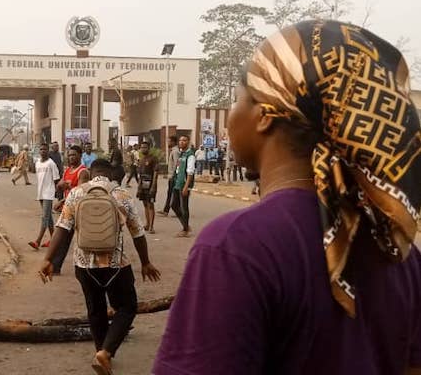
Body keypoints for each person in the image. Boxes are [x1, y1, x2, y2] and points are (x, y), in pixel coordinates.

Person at [153, 21, 421, 375]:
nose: (231, 116)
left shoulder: (236, 247)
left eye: (237, 100)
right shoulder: (400, 253)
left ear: (265, 116)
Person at [39, 159, 161, 375]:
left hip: (84, 265)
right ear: (111, 174)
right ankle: (105, 353)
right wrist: (145, 262)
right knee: (126, 307)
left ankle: (101, 352)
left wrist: (48, 259)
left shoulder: (76, 194)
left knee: (95, 309)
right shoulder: (121, 194)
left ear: (91, 172)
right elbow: (138, 233)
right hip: (116, 266)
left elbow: (62, 228)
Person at [50, 145, 89, 274]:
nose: (71, 157)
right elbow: (59, 185)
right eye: (70, 155)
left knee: (79, 239)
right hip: (68, 208)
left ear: (80, 156)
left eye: (74, 155)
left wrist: (64, 194)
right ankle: (55, 266)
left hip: (78, 209)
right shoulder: (68, 170)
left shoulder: (82, 172)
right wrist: (65, 187)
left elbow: (79, 192)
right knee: (63, 238)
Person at [29, 143, 59, 250]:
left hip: (48, 193)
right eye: (41, 149)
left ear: (48, 151)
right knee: (49, 218)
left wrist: (56, 193)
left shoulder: (51, 163)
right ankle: (54, 241)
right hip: (40, 193)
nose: (43, 151)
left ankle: (38, 241)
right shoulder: (37, 163)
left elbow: (56, 179)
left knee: (44, 217)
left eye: (45, 149)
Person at [171, 135, 194, 237]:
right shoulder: (181, 154)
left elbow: (190, 172)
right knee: (174, 205)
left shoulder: (190, 155)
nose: (181, 142)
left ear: (188, 142)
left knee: (184, 207)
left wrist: (186, 186)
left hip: (184, 184)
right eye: (180, 140)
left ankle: (185, 230)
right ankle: (186, 225)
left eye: (184, 140)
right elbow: (178, 169)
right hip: (177, 183)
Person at [137, 141, 159, 234]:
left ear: (149, 148)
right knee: (145, 204)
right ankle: (147, 223)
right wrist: (139, 187)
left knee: (150, 205)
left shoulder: (153, 159)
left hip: (150, 184)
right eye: (142, 147)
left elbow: (155, 172)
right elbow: (140, 175)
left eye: (145, 147)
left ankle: (151, 226)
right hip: (143, 185)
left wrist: (153, 186)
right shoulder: (141, 160)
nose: (143, 149)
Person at [158, 136, 179, 217]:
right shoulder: (173, 151)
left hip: (174, 177)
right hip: (172, 176)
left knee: (173, 194)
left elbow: (177, 164)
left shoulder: (175, 152)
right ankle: (166, 210)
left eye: (169, 141)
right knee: (170, 193)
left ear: (173, 142)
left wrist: (173, 175)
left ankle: (176, 211)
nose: (168, 143)